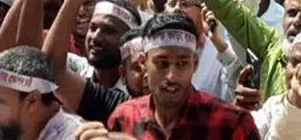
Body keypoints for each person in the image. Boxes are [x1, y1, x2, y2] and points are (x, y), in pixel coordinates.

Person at [107, 13, 259, 139]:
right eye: (162, 64)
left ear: (195, 64)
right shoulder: (124, 118)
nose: (171, 76)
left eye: (182, 64)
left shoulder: (232, 124)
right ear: (143, 63)